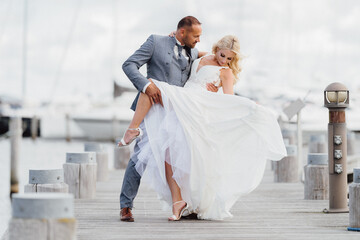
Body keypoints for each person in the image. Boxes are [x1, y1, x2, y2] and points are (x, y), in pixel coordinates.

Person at [118, 35, 287, 221]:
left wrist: (246, 104)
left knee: (191, 158)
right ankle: (178, 202)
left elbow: (228, 100)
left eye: (230, 59)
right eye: (223, 55)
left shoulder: (226, 72)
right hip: (184, 106)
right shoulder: (201, 57)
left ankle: (189, 200)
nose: (225, 60)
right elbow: (196, 53)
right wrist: (172, 38)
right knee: (168, 151)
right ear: (217, 49)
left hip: (199, 110)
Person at [119, 16, 214, 222]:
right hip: (152, 108)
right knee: (140, 156)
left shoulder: (194, 51)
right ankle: (126, 206)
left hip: (178, 112)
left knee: (180, 156)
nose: (198, 40)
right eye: (196, 36)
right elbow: (129, 65)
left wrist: (211, 81)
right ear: (182, 32)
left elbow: (215, 56)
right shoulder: (156, 41)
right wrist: (146, 85)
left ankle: (184, 202)